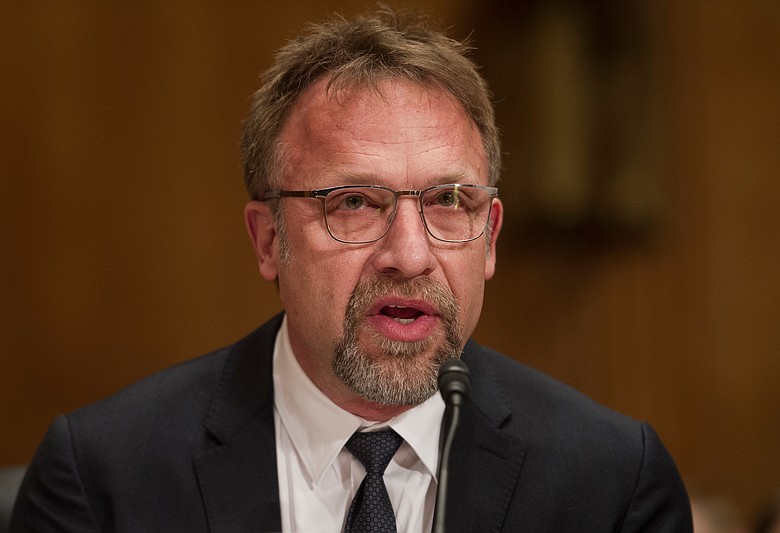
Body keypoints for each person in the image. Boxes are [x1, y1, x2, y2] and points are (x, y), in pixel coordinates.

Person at [10, 6, 692, 532]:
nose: (410, 253)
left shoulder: (611, 483)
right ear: (268, 238)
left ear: (489, 239)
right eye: (356, 203)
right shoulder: (105, 478)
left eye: (450, 201)